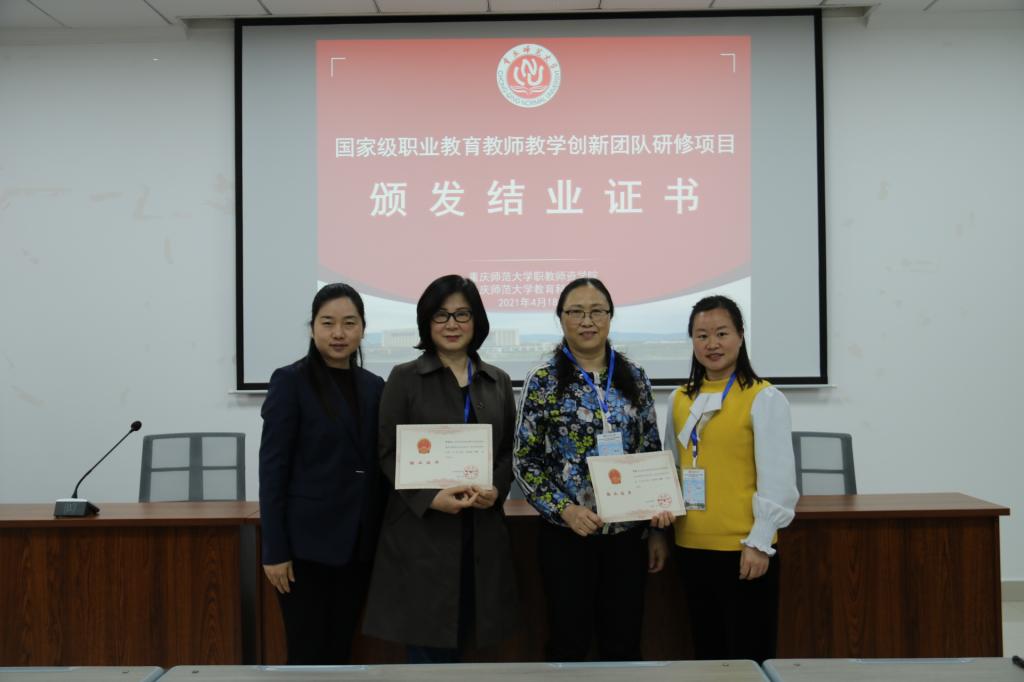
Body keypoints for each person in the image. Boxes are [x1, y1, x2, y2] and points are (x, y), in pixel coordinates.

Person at [513, 277, 672, 662]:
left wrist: (656, 529)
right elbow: (525, 460)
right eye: (576, 312)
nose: (587, 321)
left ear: (610, 317)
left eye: (597, 311)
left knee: (624, 642)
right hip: (568, 535)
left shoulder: (634, 376)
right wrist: (565, 510)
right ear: (561, 318)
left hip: (627, 537)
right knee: (569, 643)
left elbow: (650, 449)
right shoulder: (543, 381)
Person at [363, 274, 519, 663]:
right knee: (427, 650)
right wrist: (430, 497)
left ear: (476, 321)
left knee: (469, 639)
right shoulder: (404, 378)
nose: (452, 324)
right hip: (423, 535)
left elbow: (506, 451)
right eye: (441, 315)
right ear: (427, 322)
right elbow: (387, 452)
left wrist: (496, 489)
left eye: (462, 314)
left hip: (480, 533)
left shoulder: (497, 381)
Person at [664, 295, 799, 664]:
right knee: (708, 655)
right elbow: (670, 468)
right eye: (702, 335)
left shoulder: (763, 397)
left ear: (740, 335)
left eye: (722, 333)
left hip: (744, 550)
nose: (712, 344)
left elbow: (779, 482)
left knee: (748, 657)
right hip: (690, 547)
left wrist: (760, 543)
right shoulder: (679, 399)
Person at [258, 283, 386, 664]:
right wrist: (274, 550)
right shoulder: (290, 381)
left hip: (358, 547)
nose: (338, 333)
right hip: (304, 550)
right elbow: (273, 470)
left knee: (341, 651)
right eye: (327, 323)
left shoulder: (374, 386)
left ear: (362, 328)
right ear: (312, 327)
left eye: (349, 323)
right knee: (306, 654)